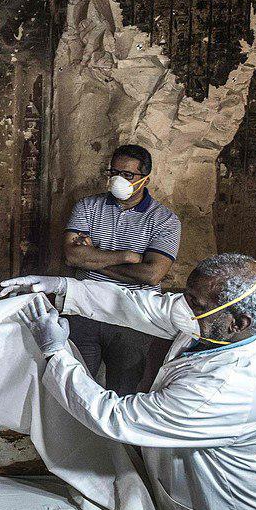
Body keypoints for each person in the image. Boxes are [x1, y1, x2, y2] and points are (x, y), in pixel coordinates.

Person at [3, 253, 256, 510]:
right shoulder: (229, 327)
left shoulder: (227, 388)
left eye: (196, 303)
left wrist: (55, 352)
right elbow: (145, 306)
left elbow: (113, 416)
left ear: (239, 323)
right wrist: (65, 288)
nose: (184, 306)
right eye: (187, 296)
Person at [62, 143, 181, 394]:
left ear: (145, 179)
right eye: (114, 173)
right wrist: (126, 257)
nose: (118, 180)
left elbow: (152, 274)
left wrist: (94, 259)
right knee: (75, 386)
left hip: (133, 315)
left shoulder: (165, 220)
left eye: (128, 175)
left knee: (124, 389)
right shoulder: (87, 206)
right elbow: (72, 255)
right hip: (85, 308)